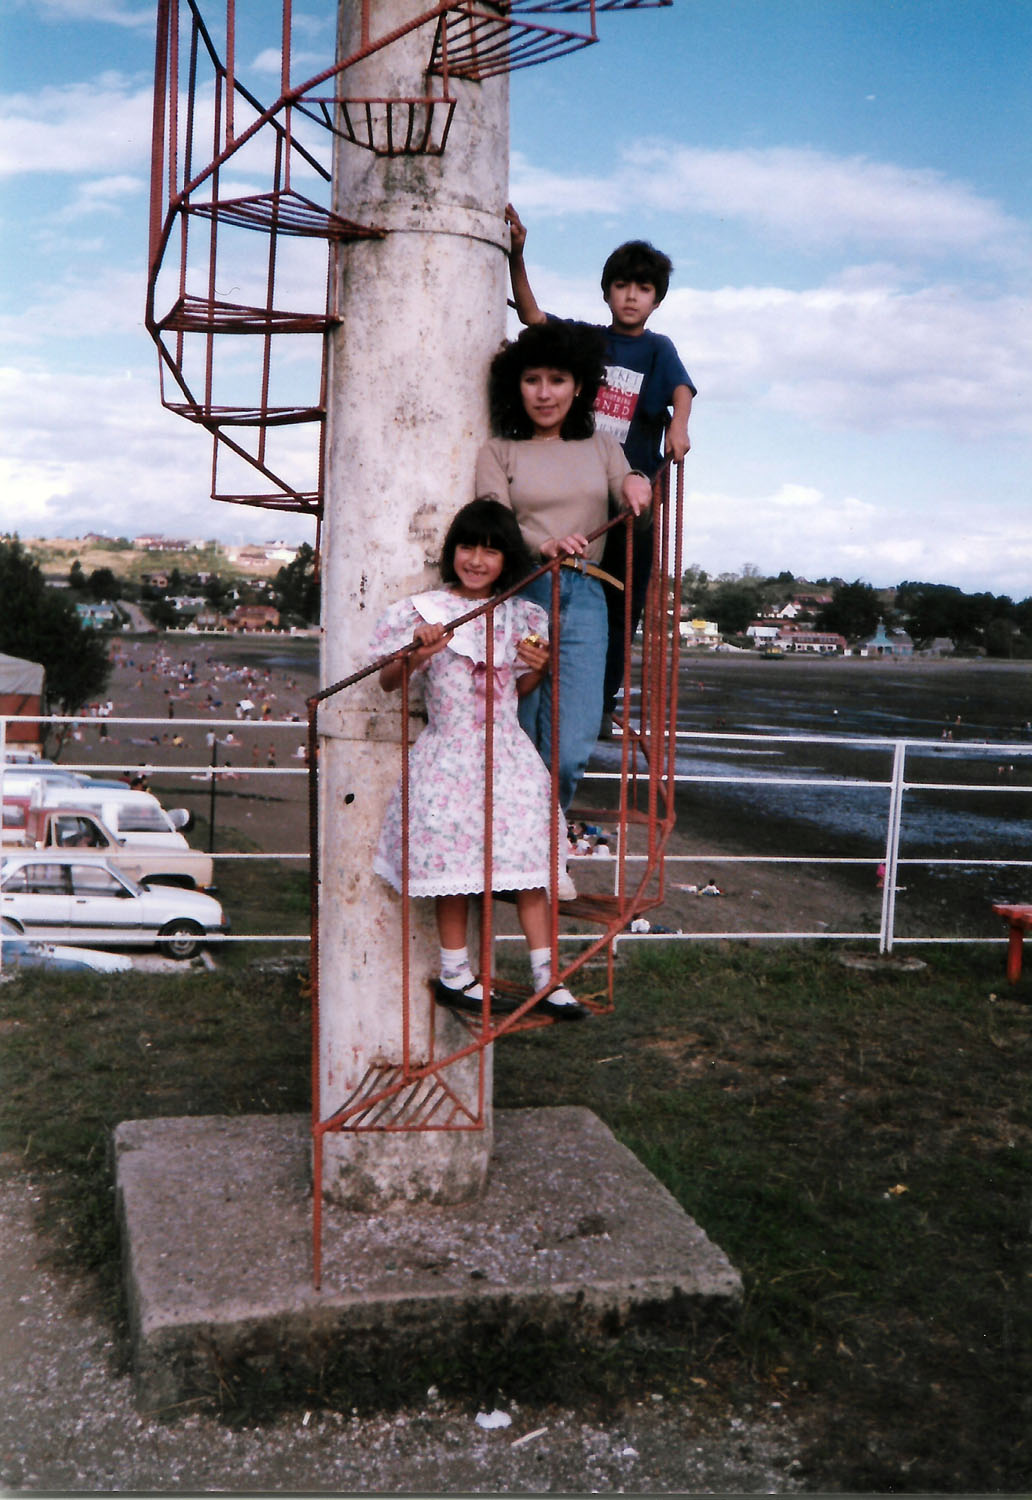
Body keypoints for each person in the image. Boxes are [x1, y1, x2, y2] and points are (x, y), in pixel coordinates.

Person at [372, 498, 589, 1022]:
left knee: (533, 866)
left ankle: (547, 977)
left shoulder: (522, 612)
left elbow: (520, 684)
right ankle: (456, 974)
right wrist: (416, 654)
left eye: (490, 551)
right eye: (467, 547)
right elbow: (389, 682)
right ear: (453, 552)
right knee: (456, 870)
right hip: (449, 758)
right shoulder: (423, 612)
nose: (476, 560)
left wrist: (537, 667)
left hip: (509, 755)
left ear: (505, 559)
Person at [505, 204, 696, 726]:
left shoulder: (658, 348)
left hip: (628, 503)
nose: (632, 296)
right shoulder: (588, 339)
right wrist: (518, 256)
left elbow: (682, 387)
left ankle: (598, 703)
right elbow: (532, 317)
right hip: (577, 493)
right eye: (622, 286)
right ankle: (529, 696)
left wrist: (679, 424)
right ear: (607, 290)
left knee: (620, 607)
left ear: (657, 299)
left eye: (644, 289)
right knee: (550, 596)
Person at [475, 320, 651, 821]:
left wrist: (638, 481)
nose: (545, 393)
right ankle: (530, 856)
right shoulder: (498, 450)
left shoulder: (601, 446)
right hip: (523, 592)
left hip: (589, 596)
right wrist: (543, 543)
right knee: (519, 733)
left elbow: (627, 486)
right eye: (533, 380)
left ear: (579, 386)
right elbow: (495, 519)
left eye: (557, 380)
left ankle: (542, 847)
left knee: (571, 749)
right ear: (517, 386)